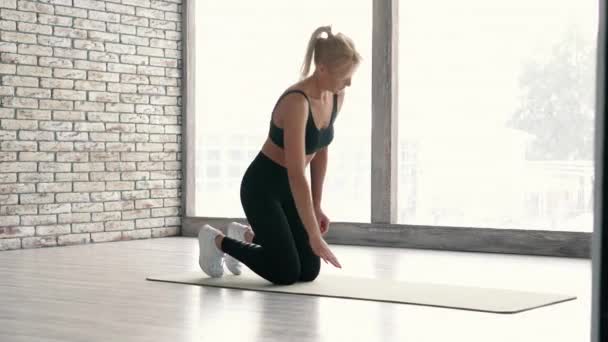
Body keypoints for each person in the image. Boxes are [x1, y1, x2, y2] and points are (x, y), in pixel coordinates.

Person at [198, 25, 361, 285]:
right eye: (344, 75)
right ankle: (216, 241)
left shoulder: (336, 96)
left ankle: (248, 236)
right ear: (322, 69)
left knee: (308, 270)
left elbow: (320, 150)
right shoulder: (297, 103)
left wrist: (317, 206)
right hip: (262, 187)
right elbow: (297, 174)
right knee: (285, 271)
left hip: (290, 190)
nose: (349, 82)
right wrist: (314, 237)